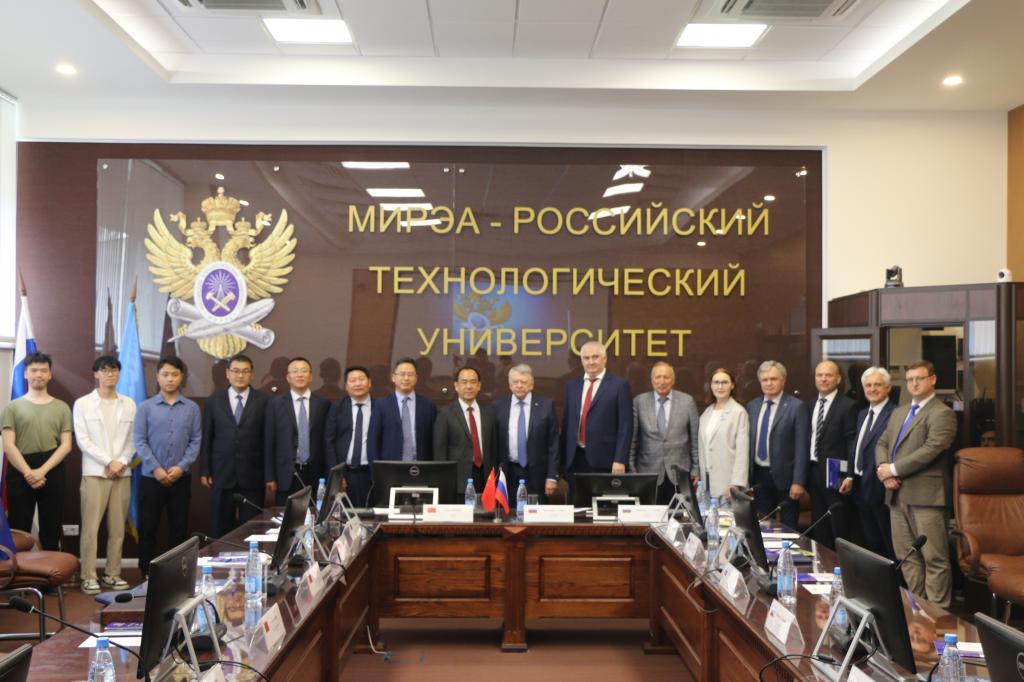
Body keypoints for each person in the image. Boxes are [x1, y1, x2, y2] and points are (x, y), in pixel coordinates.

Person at [876, 360, 957, 607]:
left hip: (927, 497)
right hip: (896, 495)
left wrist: (894, 469)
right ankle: (919, 609)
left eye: (919, 378)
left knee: (934, 558)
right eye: (910, 379)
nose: (914, 384)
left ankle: (938, 615)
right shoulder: (899, 412)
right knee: (907, 557)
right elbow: (882, 443)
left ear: (932, 380)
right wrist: (884, 470)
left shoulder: (942, 413)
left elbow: (931, 449)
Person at [73, 356, 135, 594]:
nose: (110, 374)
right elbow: (83, 440)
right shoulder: (82, 404)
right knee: (90, 529)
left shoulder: (129, 403)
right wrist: (109, 461)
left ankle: (112, 574)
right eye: (105, 370)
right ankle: (88, 576)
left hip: (122, 473)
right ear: (96, 374)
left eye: (114, 370)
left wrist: (121, 462)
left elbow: (133, 440)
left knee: (118, 529)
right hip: (95, 473)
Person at [133, 356, 201, 577]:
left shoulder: (191, 408)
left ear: (182, 377)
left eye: (174, 374)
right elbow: (140, 441)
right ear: (157, 377)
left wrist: (181, 467)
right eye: (165, 374)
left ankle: (176, 573)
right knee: (148, 528)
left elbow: (195, 440)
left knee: (179, 529)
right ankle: (146, 572)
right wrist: (156, 468)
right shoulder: (145, 407)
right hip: (151, 478)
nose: (170, 379)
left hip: (180, 478)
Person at [1, 352, 73, 551]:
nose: (38, 374)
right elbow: (8, 445)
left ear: (50, 374)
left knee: (51, 525)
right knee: (18, 526)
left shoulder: (62, 407)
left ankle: (50, 570)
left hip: (52, 466)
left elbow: (66, 445)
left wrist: (42, 471)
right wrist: (28, 472)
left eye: (43, 370)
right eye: (33, 370)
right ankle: (19, 570)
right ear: (25, 374)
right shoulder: (12, 407)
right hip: (20, 467)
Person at [199, 353, 271, 537]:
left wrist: (269, 474)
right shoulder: (214, 400)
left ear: (252, 375)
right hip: (222, 473)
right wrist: (205, 470)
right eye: (236, 371)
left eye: (245, 371)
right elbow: (207, 437)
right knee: (220, 527)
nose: (240, 375)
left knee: (252, 529)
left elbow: (268, 439)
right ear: (227, 373)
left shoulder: (264, 401)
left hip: (253, 474)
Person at [560, 340, 633, 496]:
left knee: (603, 507)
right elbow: (567, 424)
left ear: (604, 359)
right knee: (577, 506)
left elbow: (625, 426)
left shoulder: (619, 385)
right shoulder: (571, 386)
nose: (591, 362)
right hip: (575, 459)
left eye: (595, 357)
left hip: (606, 461)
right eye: (586, 358)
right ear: (581, 361)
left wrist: (620, 459)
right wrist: (562, 461)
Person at [838, 366, 897, 560]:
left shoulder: (895, 414)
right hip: (860, 486)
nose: (872, 389)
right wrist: (850, 476)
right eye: (868, 385)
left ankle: (895, 580)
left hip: (881, 487)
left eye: (877, 385)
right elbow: (857, 448)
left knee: (889, 545)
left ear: (888, 387)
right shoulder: (863, 413)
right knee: (871, 543)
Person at [746, 360, 808, 530]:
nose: (769, 383)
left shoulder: (796, 406)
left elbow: (802, 447)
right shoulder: (752, 406)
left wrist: (798, 481)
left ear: (783, 381)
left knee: (788, 529)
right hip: (759, 476)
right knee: (763, 526)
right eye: (764, 380)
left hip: (787, 479)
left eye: (773, 379)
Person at [804, 360, 858, 549]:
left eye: (828, 375)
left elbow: (852, 443)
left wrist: (850, 475)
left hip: (836, 472)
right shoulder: (809, 405)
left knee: (838, 524)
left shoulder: (848, 406)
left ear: (838, 379)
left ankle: (840, 565)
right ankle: (821, 563)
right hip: (813, 471)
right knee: (819, 525)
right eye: (820, 375)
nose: (823, 379)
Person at [629, 362, 700, 505]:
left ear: (673, 380)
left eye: (666, 377)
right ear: (651, 380)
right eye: (658, 377)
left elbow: (695, 439)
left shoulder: (687, 401)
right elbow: (633, 439)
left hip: (679, 472)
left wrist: (696, 469)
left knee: (678, 516)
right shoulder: (639, 402)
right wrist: (631, 468)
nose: (662, 381)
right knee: (650, 516)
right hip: (648, 472)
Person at [265, 357, 330, 505]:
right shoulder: (275, 404)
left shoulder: (323, 404)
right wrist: (270, 476)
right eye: (295, 371)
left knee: (313, 514)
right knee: (285, 516)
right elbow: (269, 441)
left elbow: (326, 442)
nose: (300, 375)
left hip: (314, 473)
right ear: (288, 377)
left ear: (311, 376)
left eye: (304, 371)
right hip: (285, 473)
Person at [492, 364, 558, 501]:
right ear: (510, 385)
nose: (519, 385)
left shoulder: (546, 406)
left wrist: (552, 476)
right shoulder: (498, 406)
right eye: (515, 382)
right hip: (507, 473)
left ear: (531, 385)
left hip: (537, 474)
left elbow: (554, 444)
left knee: (536, 513)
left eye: (523, 382)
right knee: (508, 512)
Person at [434, 366, 497, 496]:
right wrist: (443, 481)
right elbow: (440, 452)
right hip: (458, 480)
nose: (469, 386)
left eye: (473, 382)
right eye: (464, 382)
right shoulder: (445, 414)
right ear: (456, 386)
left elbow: (494, 449)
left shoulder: (489, 413)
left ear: (479, 386)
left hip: (485, 479)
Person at [368, 357, 437, 462]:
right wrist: (377, 470)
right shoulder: (381, 405)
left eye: (410, 375)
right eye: (402, 374)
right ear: (393, 377)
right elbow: (373, 441)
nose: (406, 378)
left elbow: (434, 440)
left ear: (416, 378)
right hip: (390, 467)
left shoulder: (428, 406)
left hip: (421, 466)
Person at [325, 365, 375, 508]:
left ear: (369, 383)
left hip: (371, 473)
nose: (358, 383)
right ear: (346, 386)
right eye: (353, 380)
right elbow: (329, 442)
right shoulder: (337, 407)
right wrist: (337, 476)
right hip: (345, 473)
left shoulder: (379, 407)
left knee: (371, 515)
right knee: (345, 515)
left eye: (361, 379)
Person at [697, 368, 750, 499]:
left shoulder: (739, 412)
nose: (720, 386)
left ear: (732, 385)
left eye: (724, 382)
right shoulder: (707, 412)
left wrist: (736, 484)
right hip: (707, 481)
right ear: (710, 385)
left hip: (728, 483)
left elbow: (742, 452)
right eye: (716, 382)